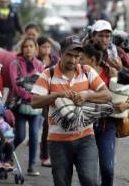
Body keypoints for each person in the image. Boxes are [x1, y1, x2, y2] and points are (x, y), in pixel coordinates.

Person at [31, 36, 112, 186]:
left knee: (90, 181)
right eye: (69, 55)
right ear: (61, 53)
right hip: (58, 141)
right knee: (62, 183)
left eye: (77, 56)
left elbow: (107, 95)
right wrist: (57, 95)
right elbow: (34, 102)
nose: (73, 60)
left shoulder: (87, 71)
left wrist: (87, 95)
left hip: (86, 138)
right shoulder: (48, 75)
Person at [81, 44, 117, 186]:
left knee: (107, 168)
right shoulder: (78, 74)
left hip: (107, 126)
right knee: (88, 173)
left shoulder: (110, 73)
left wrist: (123, 103)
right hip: (85, 127)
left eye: (81, 59)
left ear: (93, 59)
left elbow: (122, 96)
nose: (78, 62)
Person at [8, 38, 44, 176]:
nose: (28, 49)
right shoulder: (15, 64)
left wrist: (36, 97)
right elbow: (16, 86)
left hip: (35, 107)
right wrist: (31, 96)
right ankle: (7, 153)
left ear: (36, 49)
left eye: (31, 46)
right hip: (19, 106)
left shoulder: (40, 65)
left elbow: (43, 85)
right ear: (22, 49)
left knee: (35, 135)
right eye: (25, 46)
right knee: (21, 135)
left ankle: (32, 166)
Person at [36, 36, 59, 167]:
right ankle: (44, 154)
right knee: (42, 126)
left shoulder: (55, 61)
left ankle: (46, 155)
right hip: (38, 95)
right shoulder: (35, 61)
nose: (46, 49)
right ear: (38, 48)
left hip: (50, 95)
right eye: (43, 46)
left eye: (48, 47)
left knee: (48, 125)